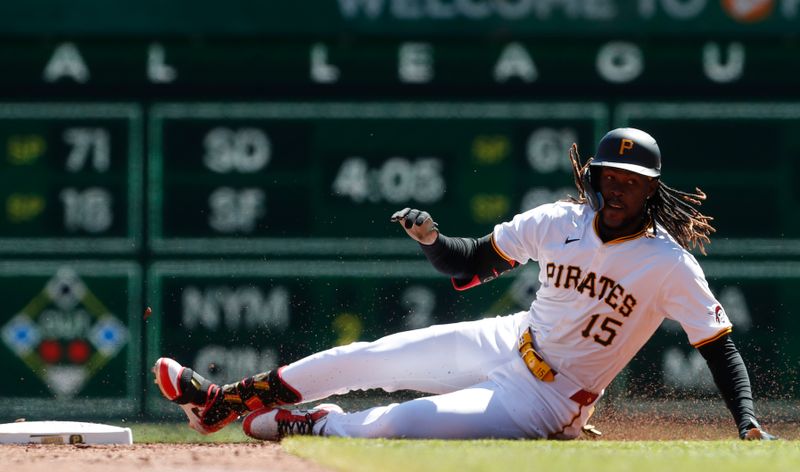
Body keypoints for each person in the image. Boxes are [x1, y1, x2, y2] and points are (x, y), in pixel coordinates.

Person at [153, 128, 775, 441]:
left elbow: (718, 346)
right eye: (609, 174)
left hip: (547, 401)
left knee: (394, 426)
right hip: (510, 340)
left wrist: (745, 421)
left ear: (650, 189)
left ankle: (311, 424)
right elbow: (469, 264)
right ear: (596, 177)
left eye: (631, 180)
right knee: (369, 357)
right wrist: (432, 241)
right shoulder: (560, 220)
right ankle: (223, 403)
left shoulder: (668, 265)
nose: (616, 186)